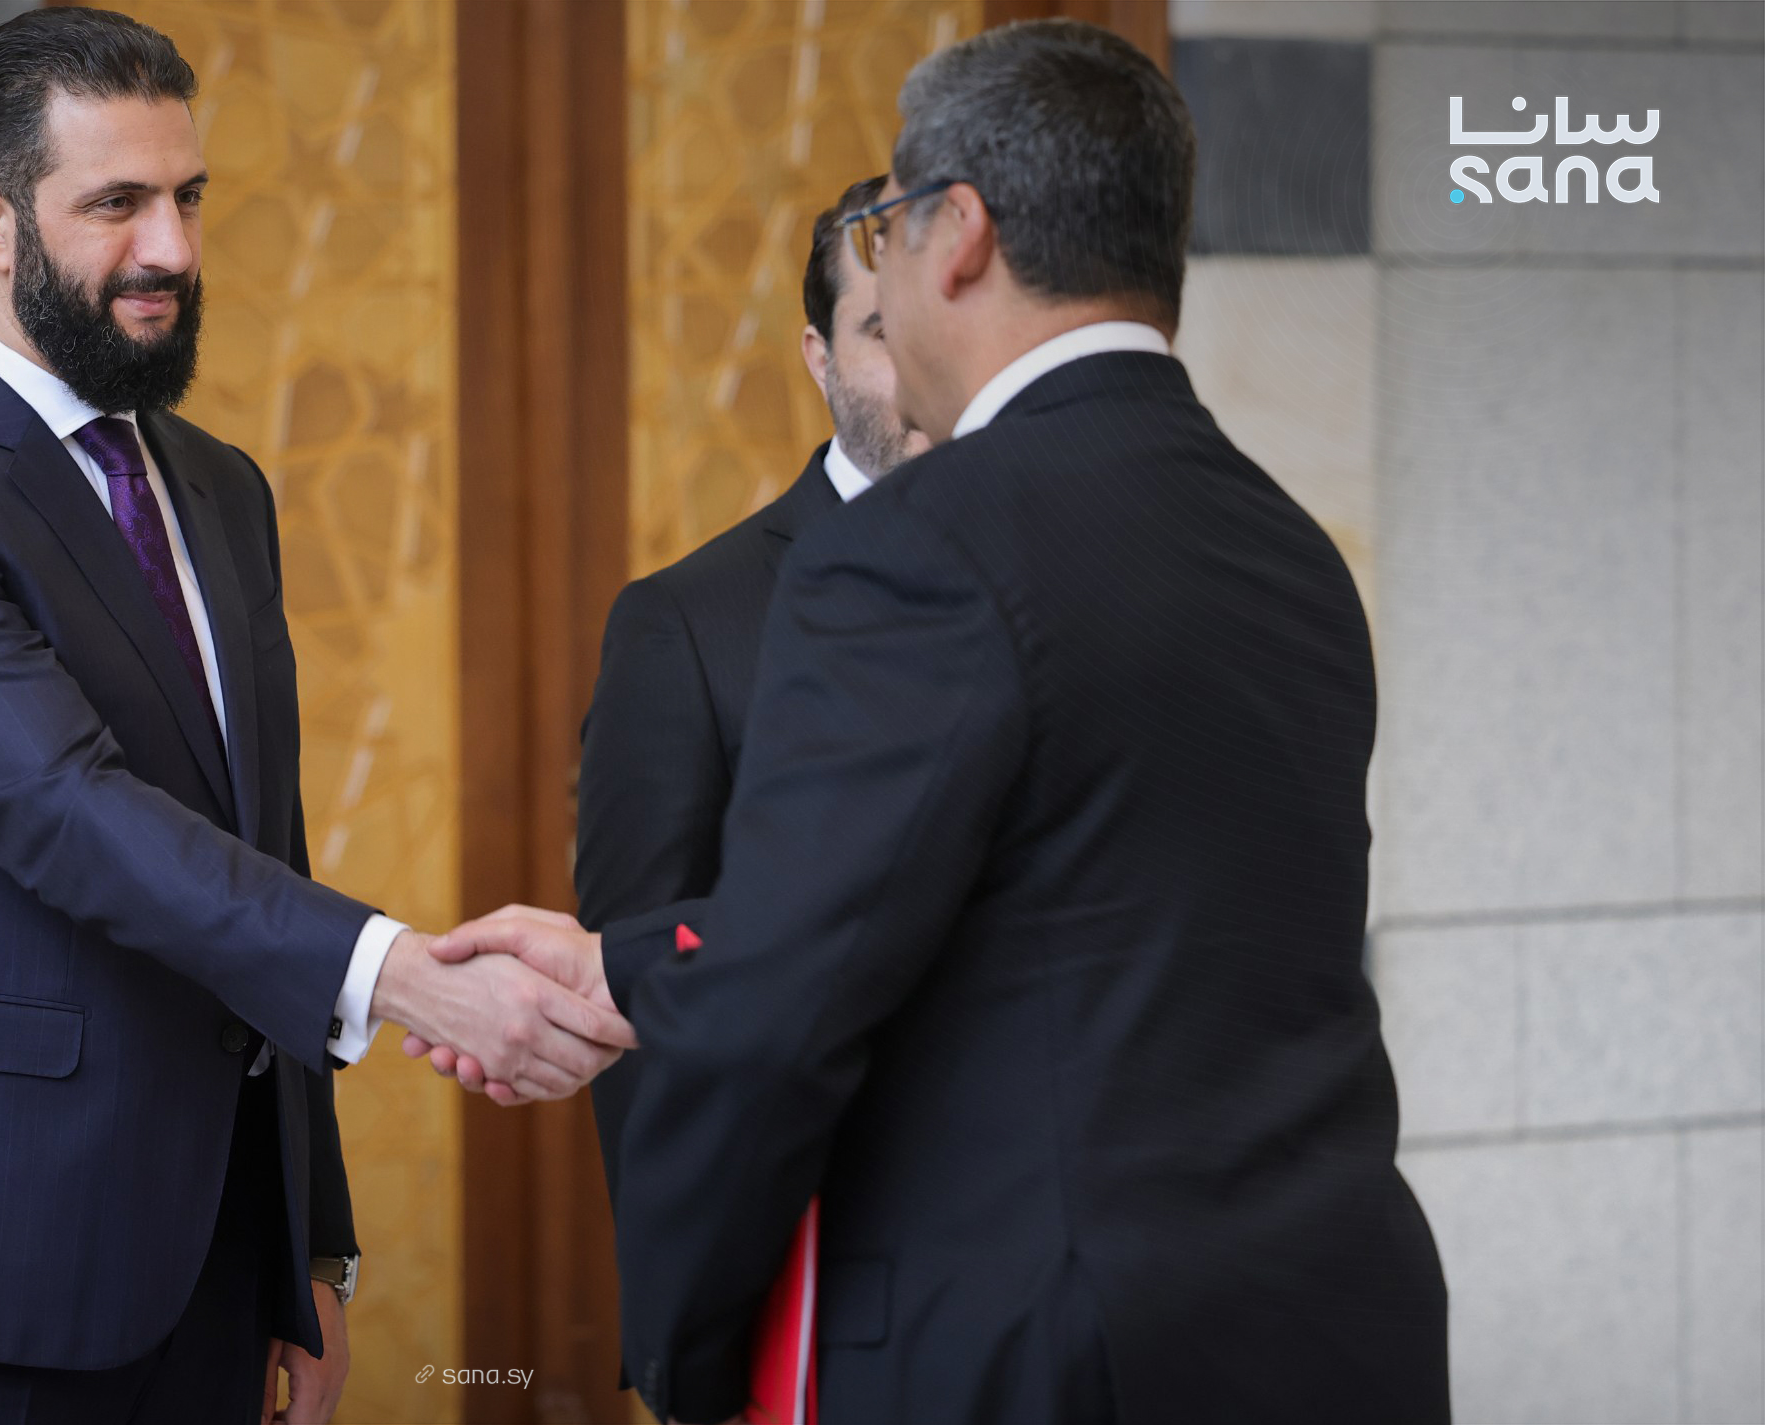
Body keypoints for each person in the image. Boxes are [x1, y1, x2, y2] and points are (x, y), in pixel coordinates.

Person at [416, 20, 1450, 1424]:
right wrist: (626, 965)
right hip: (1334, 1329)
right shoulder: (1288, 546)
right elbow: (1079, 919)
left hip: (1049, 1358)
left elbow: (782, 1009)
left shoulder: (921, 543)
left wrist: (689, 1353)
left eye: (888, 228)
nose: (886, 279)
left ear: (957, 235)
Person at [0, 10, 630, 1423]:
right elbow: (71, 812)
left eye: (187, 197)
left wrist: (311, 1250)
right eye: (116, 203)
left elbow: (259, 850)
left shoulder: (222, 489)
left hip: (216, 1265)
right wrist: (404, 974)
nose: (170, 248)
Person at [574, 173, 926, 1214]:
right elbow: (638, 1004)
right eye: (881, 332)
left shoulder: (1064, 571)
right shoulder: (685, 626)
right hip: (816, 1241)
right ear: (819, 357)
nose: (924, 372)